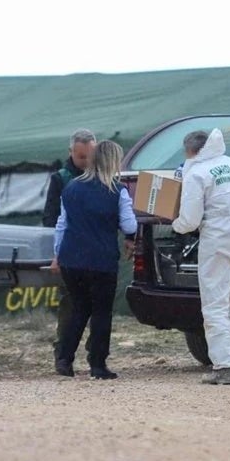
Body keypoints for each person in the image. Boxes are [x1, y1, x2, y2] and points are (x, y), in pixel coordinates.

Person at [172, 129, 230, 385]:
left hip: (219, 238)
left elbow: (189, 221)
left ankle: (223, 368)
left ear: (190, 150)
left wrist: (173, 224)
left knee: (215, 303)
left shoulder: (196, 173)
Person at [53, 140, 136, 379]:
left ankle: (64, 359)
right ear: (113, 162)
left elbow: (61, 225)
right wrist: (130, 235)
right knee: (101, 312)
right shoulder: (117, 190)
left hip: (71, 258)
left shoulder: (70, 188)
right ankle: (97, 365)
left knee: (79, 308)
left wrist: (58, 254)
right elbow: (129, 224)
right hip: (102, 260)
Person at [44, 128, 96, 373]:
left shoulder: (103, 177)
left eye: (90, 156)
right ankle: (63, 357)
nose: (86, 162)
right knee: (70, 305)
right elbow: (50, 219)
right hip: (70, 251)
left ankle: (96, 357)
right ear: (71, 153)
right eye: (81, 157)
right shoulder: (61, 179)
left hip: (99, 250)